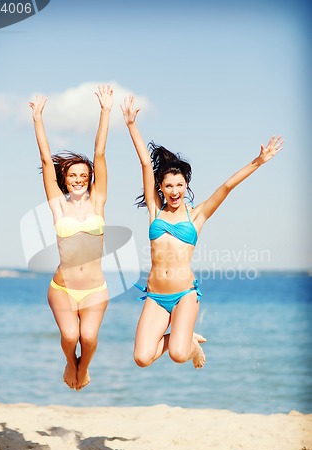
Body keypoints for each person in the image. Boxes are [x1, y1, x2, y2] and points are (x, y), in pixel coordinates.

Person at [121, 95, 283, 370]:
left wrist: (258, 161)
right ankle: (182, 337)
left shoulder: (197, 215)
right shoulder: (155, 211)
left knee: (179, 354)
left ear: (186, 185)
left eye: (180, 185)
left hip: (185, 294)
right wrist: (131, 124)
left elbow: (227, 186)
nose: (174, 191)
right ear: (161, 187)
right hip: (156, 296)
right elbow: (146, 165)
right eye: (168, 186)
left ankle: (189, 344)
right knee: (142, 358)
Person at [29, 85, 113, 390]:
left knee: (88, 338)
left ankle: (83, 368)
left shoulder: (98, 201)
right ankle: (69, 362)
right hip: (62, 287)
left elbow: (99, 153)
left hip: (95, 289)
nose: (78, 180)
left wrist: (105, 112)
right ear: (64, 179)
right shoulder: (57, 204)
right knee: (70, 337)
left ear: (90, 179)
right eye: (72, 176)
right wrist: (38, 119)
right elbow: (45, 159)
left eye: (83, 176)